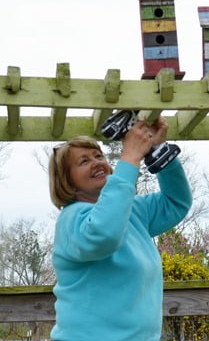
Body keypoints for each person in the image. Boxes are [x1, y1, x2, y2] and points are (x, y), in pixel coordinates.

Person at [48, 115, 192, 341]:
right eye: (83, 161)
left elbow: (176, 202)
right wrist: (131, 157)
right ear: (67, 181)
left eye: (98, 155)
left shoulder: (133, 212)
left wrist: (158, 150)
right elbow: (104, 234)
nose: (97, 162)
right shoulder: (71, 220)